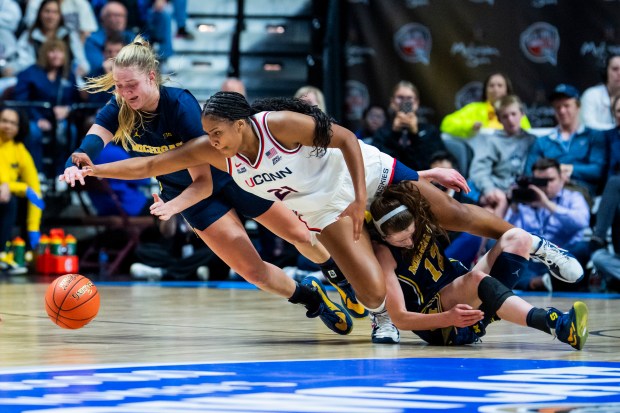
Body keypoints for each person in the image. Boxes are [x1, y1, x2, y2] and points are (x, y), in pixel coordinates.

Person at [70, 91, 584, 344]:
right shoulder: (215, 149)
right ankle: (385, 316)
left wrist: (364, 196)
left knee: (451, 210)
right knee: (368, 291)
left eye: (218, 131)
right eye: (207, 133)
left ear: (242, 123)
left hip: (361, 173)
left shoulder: (280, 125)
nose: (211, 140)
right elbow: (153, 164)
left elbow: (343, 138)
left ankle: (537, 246)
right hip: (325, 207)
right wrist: (97, 168)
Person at [59, 35, 365, 336]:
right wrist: (78, 166)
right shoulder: (120, 107)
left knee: (299, 233)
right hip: (188, 196)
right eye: (119, 86)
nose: (125, 93)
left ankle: (340, 278)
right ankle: (312, 297)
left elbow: (203, 181)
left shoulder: (179, 104)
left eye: (132, 85)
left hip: (232, 178)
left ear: (152, 77)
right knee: (253, 271)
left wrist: (172, 207)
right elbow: (94, 141)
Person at [367, 181, 588, 350]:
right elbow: (400, 318)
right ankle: (557, 324)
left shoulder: (418, 212)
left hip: (462, 292)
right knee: (475, 279)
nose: (410, 242)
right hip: (441, 324)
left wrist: (435, 174)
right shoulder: (383, 253)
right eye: (400, 240)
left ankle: (541, 251)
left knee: (517, 237)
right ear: (384, 236)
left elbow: (405, 177)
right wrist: (448, 317)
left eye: (412, 233)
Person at [505, 158, 590, 292]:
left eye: (550, 180)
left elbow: (581, 222)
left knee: (583, 247)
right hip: (532, 259)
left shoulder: (573, 197)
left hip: (563, 256)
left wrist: (547, 204)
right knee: (502, 249)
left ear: (562, 178)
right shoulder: (525, 199)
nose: (545, 186)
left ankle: (535, 283)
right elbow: (509, 233)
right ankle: (538, 282)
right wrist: (514, 206)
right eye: (539, 182)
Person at [13, 38, 83, 175]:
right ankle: (36, 172)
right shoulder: (29, 73)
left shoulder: (67, 75)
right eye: (52, 51)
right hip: (33, 117)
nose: (56, 55)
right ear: (44, 53)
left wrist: (67, 110)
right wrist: (38, 119)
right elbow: (21, 101)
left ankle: (63, 172)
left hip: (59, 120)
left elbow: (74, 100)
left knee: (71, 131)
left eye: (60, 52)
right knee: (33, 132)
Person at [524, 84, 606, 198]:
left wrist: (569, 169)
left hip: (580, 190)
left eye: (567, 106)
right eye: (557, 107)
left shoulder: (594, 136)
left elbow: (598, 171)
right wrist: (553, 175)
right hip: (546, 191)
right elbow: (529, 172)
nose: (562, 111)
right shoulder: (542, 141)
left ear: (578, 106)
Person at [469, 95, 536, 217]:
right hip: (498, 191)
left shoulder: (532, 141)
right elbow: (479, 170)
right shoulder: (491, 141)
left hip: (523, 192)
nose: (510, 120)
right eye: (505, 116)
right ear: (499, 119)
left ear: (522, 114)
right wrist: (489, 189)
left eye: (513, 114)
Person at [372, 80, 447, 171]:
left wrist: (415, 135)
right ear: (392, 102)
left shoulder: (430, 131)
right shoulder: (382, 132)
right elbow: (379, 164)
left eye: (409, 98)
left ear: (417, 102)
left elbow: (434, 163)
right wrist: (394, 134)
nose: (405, 102)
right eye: (400, 98)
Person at [0, 107, 45, 256]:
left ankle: (25, 253)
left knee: (29, 201)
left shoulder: (20, 151)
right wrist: (19, 187)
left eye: (13, 123)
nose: (8, 126)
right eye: (4, 121)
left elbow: (35, 190)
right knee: (10, 201)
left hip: (4, 195)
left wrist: (33, 228)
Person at [7, 0, 89, 77]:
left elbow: (82, 63)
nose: (51, 16)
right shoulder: (30, 35)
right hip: (34, 80)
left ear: (60, 16)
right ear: (40, 14)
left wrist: (79, 69)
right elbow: (21, 61)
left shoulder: (69, 35)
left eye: (55, 12)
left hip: (64, 81)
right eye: (47, 11)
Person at [440, 72, 531, 139]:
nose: (495, 89)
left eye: (500, 85)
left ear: (507, 90)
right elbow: (446, 123)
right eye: (491, 86)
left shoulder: (514, 110)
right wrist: (470, 126)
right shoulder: (474, 108)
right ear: (485, 90)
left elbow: (527, 133)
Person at [130, 211, 215, 281]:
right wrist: (172, 210)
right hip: (172, 253)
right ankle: (193, 272)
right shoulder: (168, 202)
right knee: (141, 250)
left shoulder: (199, 203)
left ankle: (162, 273)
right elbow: (168, 233)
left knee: (213, 252)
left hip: (195, 252)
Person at [84, 1, 134, 74]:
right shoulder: (92, 40)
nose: (120, 19)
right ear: (103, 18)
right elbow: (96, 67)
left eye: (123, 15)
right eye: (116, 15)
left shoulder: (132, 37)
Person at [580, 54, 620, 131]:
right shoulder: (591, 95)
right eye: (615, 69)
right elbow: (588, 126)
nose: (619, 73)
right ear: (605, 72)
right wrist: (615, 130)